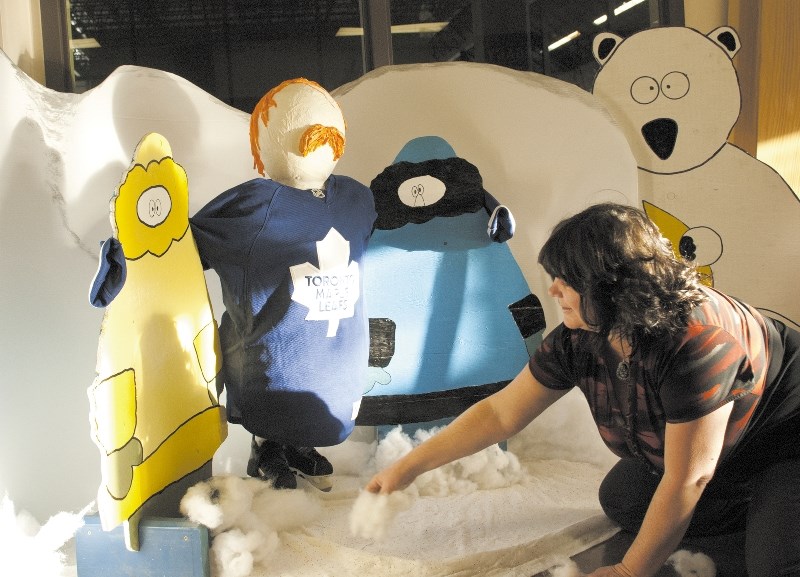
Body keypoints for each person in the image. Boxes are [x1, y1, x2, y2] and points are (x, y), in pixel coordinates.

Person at [365, 202, 800, 577]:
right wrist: (409, 467)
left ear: (614, 287)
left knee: (773, 566)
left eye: (566, 281)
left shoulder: (695, 344)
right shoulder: (582, 333)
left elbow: (691, 475)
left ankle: (771, 503)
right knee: (624, 502)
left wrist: (631, 569)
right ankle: (754, 506)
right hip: (720, 437)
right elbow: (501, 414)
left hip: (785, 435)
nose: (552, 290)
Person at [191, 79, 377, 490]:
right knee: (279, 394)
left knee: (320, 400)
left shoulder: (354, 199)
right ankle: (268, 447)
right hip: (272, 352)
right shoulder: (251, 210)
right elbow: (185, 245)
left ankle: (297, 445)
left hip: (336, 353)